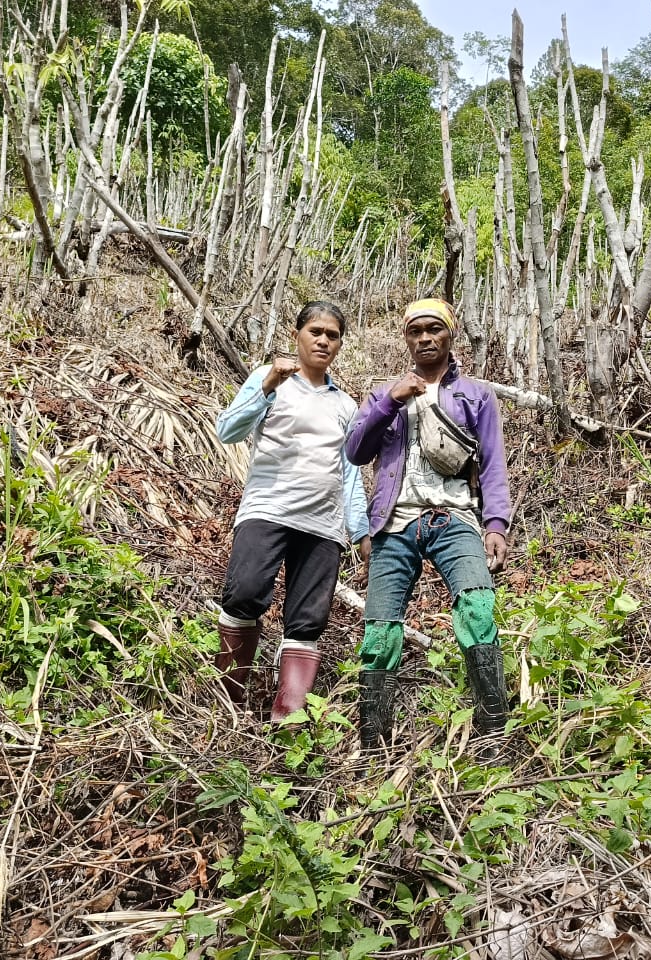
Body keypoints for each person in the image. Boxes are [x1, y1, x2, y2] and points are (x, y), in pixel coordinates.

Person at [346, 297, 511, 758]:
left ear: (450, 334)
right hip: (393, 524)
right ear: (406, 337)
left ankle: (492, 733)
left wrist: (495, 524)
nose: (424, 337)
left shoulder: (476, 395)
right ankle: (374, 747)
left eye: (433, 329)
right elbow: (356, 452)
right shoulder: (386, 391)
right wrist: (388, 401)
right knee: (380, 633)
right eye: (415, 330)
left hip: (455, 519)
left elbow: (494, 463)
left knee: (478, 608)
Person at [214, 300, 370, 721]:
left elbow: (350, 473)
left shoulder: (345, 405)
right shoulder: (270, 381)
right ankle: (229, 702)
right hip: (268, 508)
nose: (323, 340)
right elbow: (228, 429)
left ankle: (288, 718)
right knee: (244, 593)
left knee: (307, 620)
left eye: (332, 335)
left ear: (340, 345)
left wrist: (361, 531)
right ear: (298, 334)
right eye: (315, 331)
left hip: (323, 524)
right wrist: (266, 384)